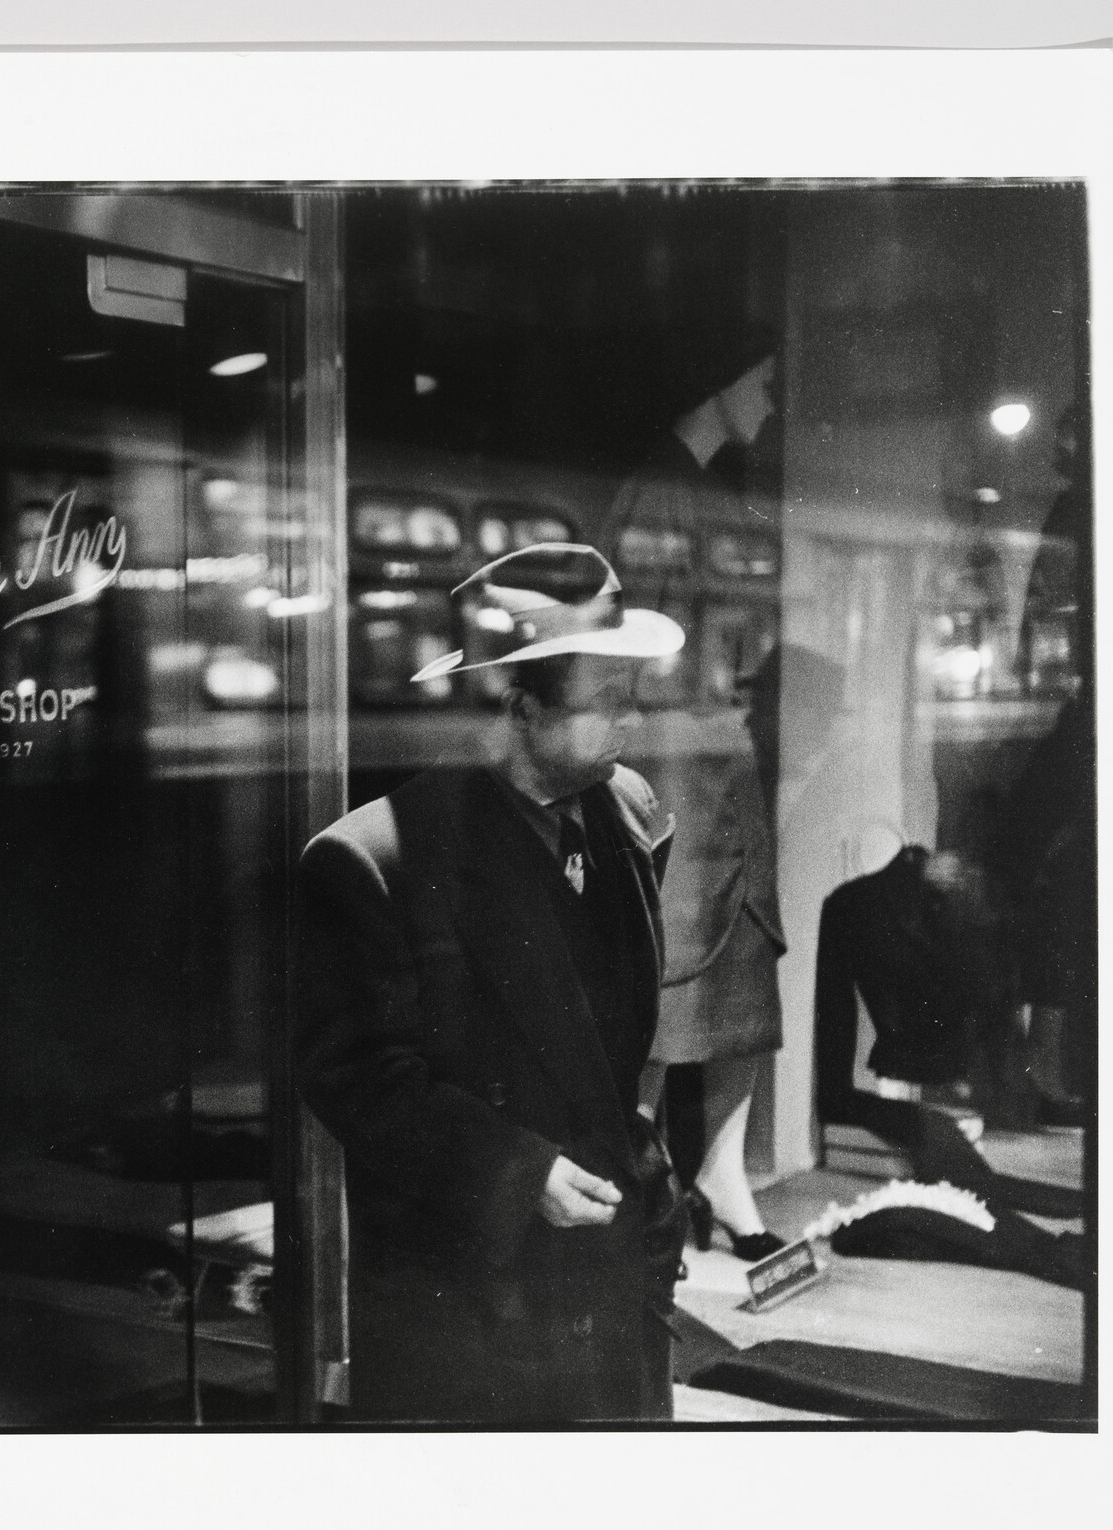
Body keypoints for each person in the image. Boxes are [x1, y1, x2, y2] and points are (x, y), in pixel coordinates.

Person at [295, 543, 687, 1425]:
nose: (633, 719)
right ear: (518, 708)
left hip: (610, 1269)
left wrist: (649, 1171)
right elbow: (358, 1079)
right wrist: (520, 1173)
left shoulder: (627, 808)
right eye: (606, 699)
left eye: (632, 692)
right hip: (472, 1291)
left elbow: (617, 1031)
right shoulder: (372, 860)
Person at [597, 331, 787, 1261]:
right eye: (763, 379)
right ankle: (639, 1185)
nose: (774, 398)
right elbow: (628, 649)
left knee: (740, 965)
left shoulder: (705, 489)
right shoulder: (656, 491)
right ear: (719, 380)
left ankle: (721, 1176)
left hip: (717, 762)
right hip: (672, 766)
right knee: (663, 978)